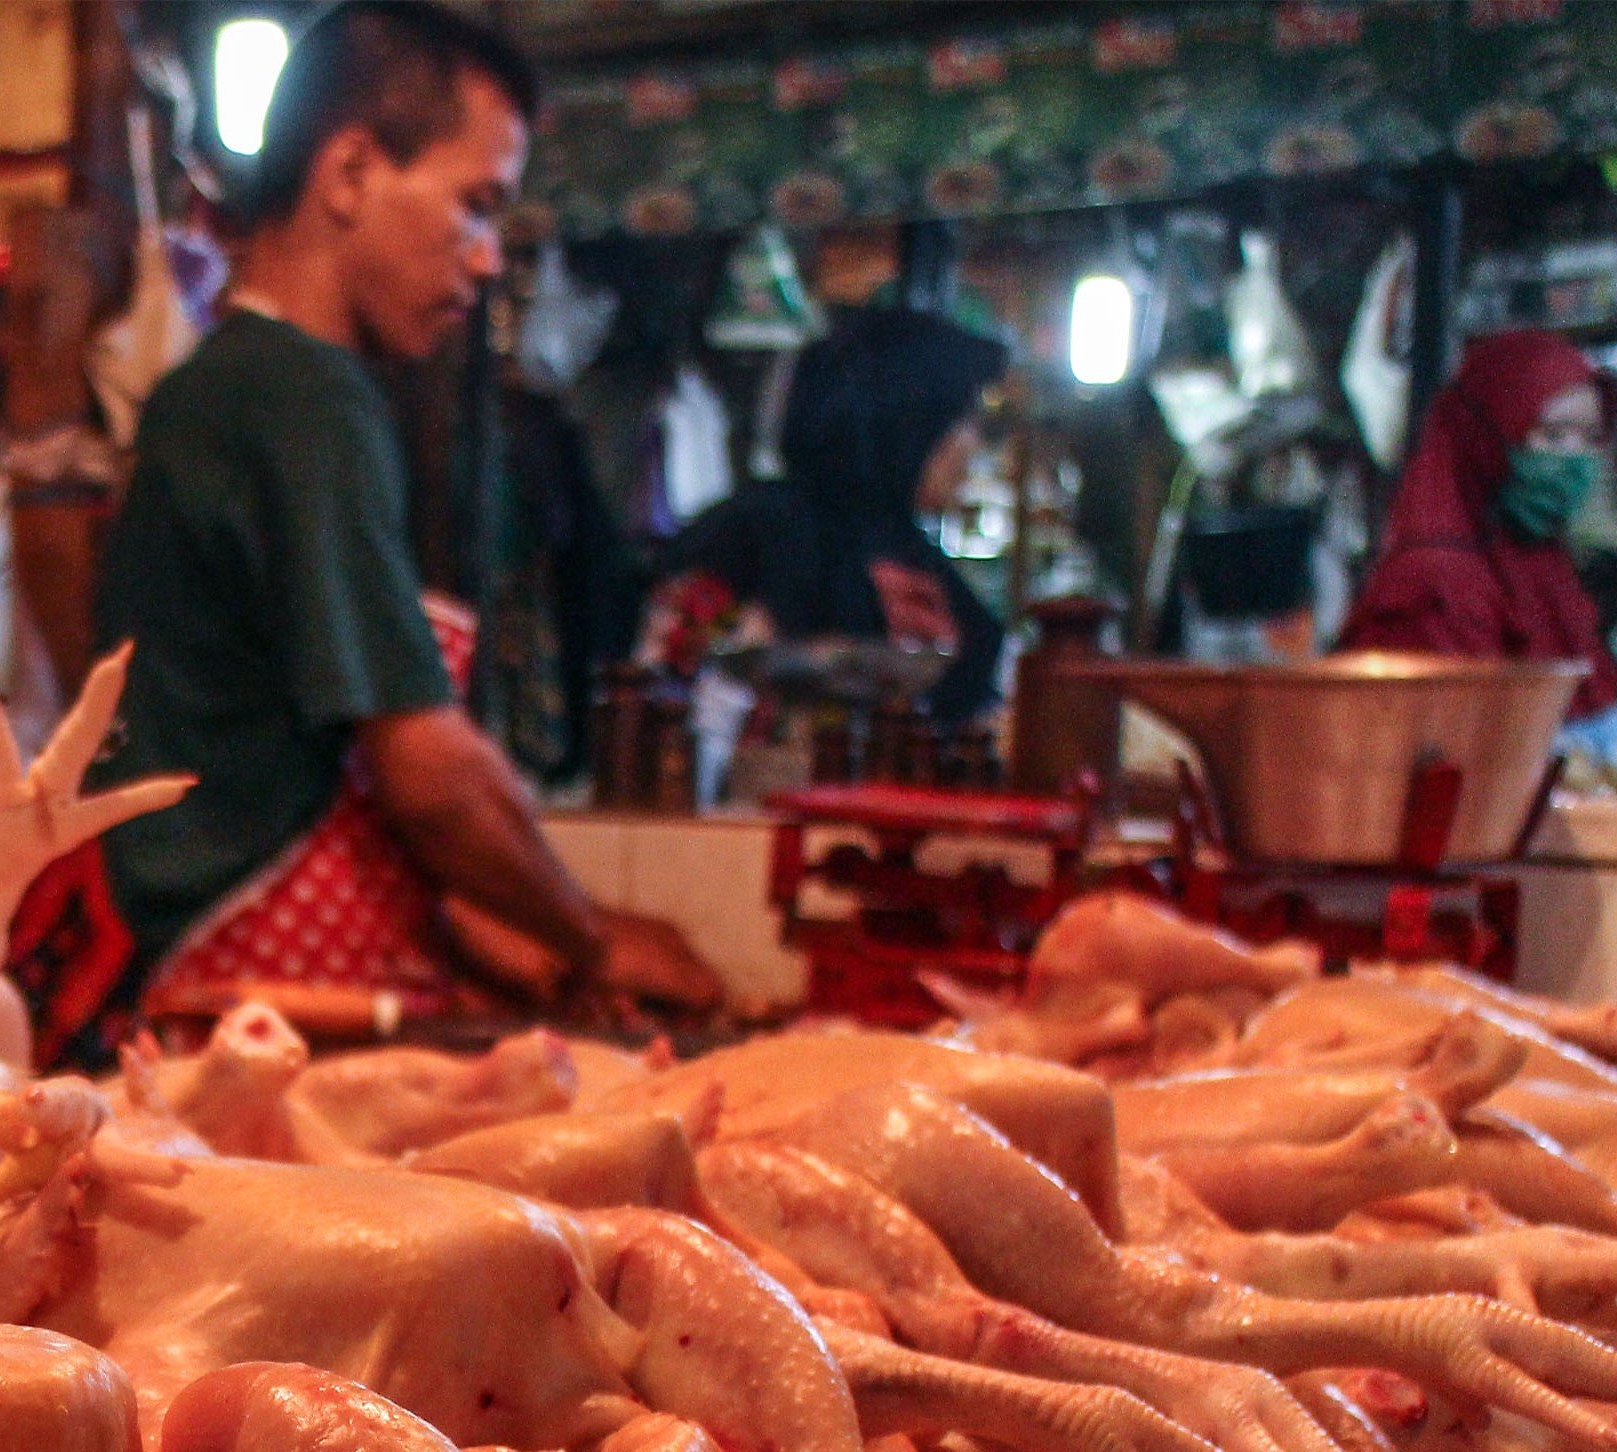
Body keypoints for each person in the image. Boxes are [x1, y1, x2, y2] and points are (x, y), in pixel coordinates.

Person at [59, 0, 715, 1047]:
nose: (489, 257)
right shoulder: (302, 397)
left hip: (182, 967)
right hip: (239, 983)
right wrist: (590, 939)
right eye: (476, 205)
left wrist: (520, 927)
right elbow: (424, 768)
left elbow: (306, 755)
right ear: (352, 173)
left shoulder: (225, 383)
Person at [644, 306, 1013, 726]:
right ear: (906, 419)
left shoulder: (910, 550)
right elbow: (663, 689)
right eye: (961, 418)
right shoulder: (756, 532)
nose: (973, 444)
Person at [1339, 327, 1617, 710]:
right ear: (1484, 439)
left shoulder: (1541, 563)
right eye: (1553, 435)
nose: (1575, 459)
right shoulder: (1433, 587)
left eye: (1590, 438)